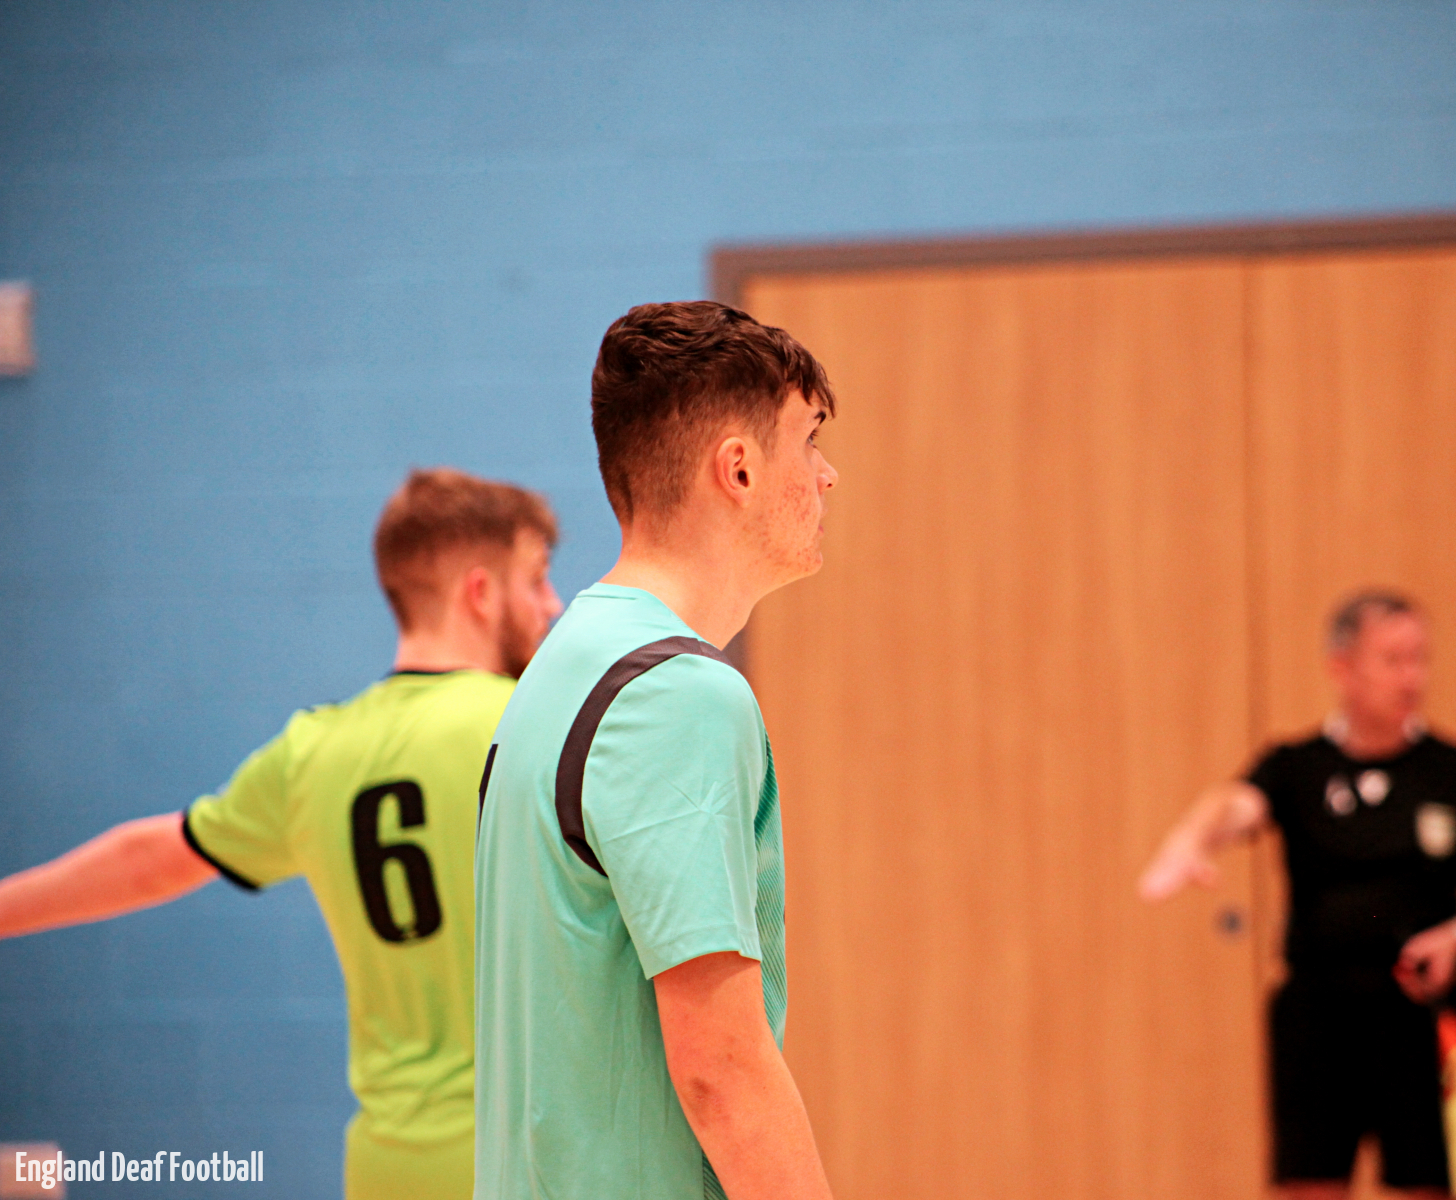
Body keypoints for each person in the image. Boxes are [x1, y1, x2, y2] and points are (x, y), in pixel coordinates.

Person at [0, 467, 565, 1200]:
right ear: (480, 592)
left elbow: (152, 860)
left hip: (386, 1168)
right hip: (530, 1162)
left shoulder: (311, 752)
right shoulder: (531, 723)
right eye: (537, 579)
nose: (553, 604)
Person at [473, 301, 838, 1200]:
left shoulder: (563, 664)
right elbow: (722, 1073)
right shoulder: (677, 695)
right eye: (809, 440)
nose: (827, 475)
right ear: (739, 468)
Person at [1139, 590, 1456, 1200]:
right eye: (1392, 660)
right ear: (1342, 667)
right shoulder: (1296, 767)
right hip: (1319, 1016)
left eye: (1419, 659)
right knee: (1309, 1184)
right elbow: (1236, 804)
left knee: (1429, 1183)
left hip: (1417, 1014)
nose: (1412, 677)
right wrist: (1190, 836)